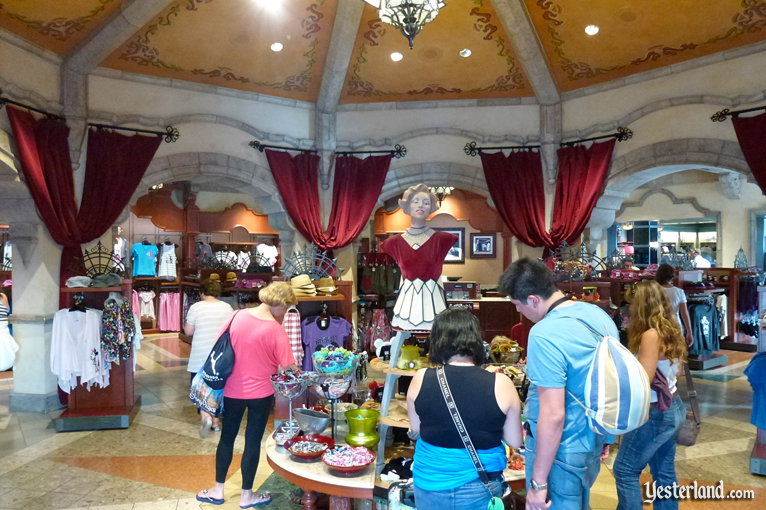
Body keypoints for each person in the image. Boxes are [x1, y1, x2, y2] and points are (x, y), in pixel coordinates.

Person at [498, 258, 616, 510]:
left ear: (533, 299)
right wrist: (607, 438)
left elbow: (553, 415)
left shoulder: (544, 332)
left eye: (518, 305)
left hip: (559, 452)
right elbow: (611, 384)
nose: (522, 313)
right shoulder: (598, 316)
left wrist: (538, 484)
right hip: (592, 439)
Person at [406, 308, 522, 509]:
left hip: (430, 482)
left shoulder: (421, 378)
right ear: (476, 340)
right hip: (480, 483)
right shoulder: (501, 383)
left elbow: (416, 428)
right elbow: (514, 440)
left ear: (437, 341)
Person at [196, 282, 299, 508]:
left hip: (232, 390)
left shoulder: (237, 316)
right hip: (261, 395)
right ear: (280, 305)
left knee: (227, 439)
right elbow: (288, 365)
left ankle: (217, 490)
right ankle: (247, 495)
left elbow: (217, 345)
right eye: (288, 308)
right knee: (252, 442)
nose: (286, 313)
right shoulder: (276, 330)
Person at [613, 280, 687, 510]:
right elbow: (679, 371)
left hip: (654, 412)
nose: (630, 309)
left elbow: (642, 382)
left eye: (632, 303)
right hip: (673, 406)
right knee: (663, 472)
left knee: (625, 470)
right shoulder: (672, 328)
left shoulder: (650, 335)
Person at [380, 183, 457, 331]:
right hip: (406, 304)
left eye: (426, 202)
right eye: (416, 201)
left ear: (431, 208)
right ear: (407, 206)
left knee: (438, 341)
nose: (421, 205)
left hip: (434, 302)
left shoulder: (444, 239)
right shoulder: (393, 243)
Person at [185, 277, 235, 436]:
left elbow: (188, 331)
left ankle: (205, 417)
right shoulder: (227, 307)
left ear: (202, 292)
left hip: (200, 354)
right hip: (220, 355)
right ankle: (215, 421)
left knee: (201, 385)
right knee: (218, 387)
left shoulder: (196, 308)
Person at [655, 264, 693, 347]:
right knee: (675, 352)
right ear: (672, 276)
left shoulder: (653, 291)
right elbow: (684, 313)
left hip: (657, 324)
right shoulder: (679, 292)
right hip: (675, 324)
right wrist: (689, 332)